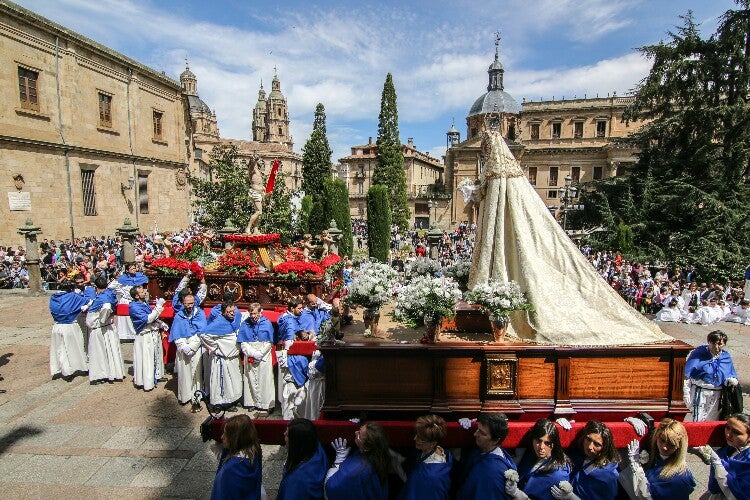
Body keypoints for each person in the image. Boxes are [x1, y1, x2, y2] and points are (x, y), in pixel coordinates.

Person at [466, 125, 670, 346]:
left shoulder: (503, 176)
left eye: (486, 150)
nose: (485, 154)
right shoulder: (496, 174)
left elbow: (490, 196)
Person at [622, 418, 696, 499]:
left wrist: (636, 465)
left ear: (679, 447)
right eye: (662, 440)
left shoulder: (679, 478)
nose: (664, 447)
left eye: (671, 444)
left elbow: (647, 496)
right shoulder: (659, 454)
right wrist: (628, 421)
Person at [552, 420, 619, 500]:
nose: (590, 447)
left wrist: (572, 498)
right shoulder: (579, 457)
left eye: (597, 444)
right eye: (588, 439)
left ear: (604, 448)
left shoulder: (608, 475)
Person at [506, 418, 571, 500]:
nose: (541, 447)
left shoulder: (559, 473)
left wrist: (517, 494)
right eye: (538, 441)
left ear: (554, 444)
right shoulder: (531, 454)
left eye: (547, 443)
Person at [457, 413, 516, 499]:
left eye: (482, 433)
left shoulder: (491, 473)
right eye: (477, 429)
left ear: (495, 440)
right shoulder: (484, 451)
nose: (475, 434)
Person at [325, 421, 390, 500]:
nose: (355, 433)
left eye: (359, 435)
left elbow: (330, 487)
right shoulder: (379, 453)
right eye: (359, 429)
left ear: (366, 448)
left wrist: (338, 462)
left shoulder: (353, 473)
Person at [684, 330, 739, 421]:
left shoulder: (726, 357)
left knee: (712, 421)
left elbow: (728, 374)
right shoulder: (698, 354)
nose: (716, 347)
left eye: (720, 344)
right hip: (700, 394)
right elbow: (686, 377)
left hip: (717, 396)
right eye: (713, 343)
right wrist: (687, 398)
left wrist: (730, 380)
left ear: (724, 344)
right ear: (708, 342)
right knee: (696, 420)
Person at [397, 414, 452, 500]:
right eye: (416, 435)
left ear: (433, 443)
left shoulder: (430, 477)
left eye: (420, 438)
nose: (415, 439)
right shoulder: (439, 451)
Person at [169, 283, 207, 404]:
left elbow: (202, 331)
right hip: (183, 347)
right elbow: (176, 333)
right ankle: (184, 396)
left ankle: (196, 396)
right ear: (183, 303)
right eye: (187, 304)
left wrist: (192, 346)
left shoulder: (199, 313)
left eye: (191, 303)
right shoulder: (179, 315)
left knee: (196, 374)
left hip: (195, 347)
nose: (189, 306)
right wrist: (183, 346)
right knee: (184, 373)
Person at [210, 414, 263, 500]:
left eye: (226, 434)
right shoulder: (254, 450)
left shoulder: (232, 468)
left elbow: (224, 495)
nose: (222, 437)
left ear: (235, 438)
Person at [699, 413, 750, 500]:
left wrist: (717, 462)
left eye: (736, 432)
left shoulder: (748, 459)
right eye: (727, 428)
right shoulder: (726, 450)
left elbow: (738, 494)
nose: (728, 435)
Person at [201, 301, 243, 406]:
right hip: (223, 359)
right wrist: (215, 347)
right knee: (225, 384)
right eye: (229, 312)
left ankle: (234, 400)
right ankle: (224, 404)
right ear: (223, 312)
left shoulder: (236, 318)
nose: (232, 314)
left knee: (235, 382)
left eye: (233, 311)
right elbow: (204, 336)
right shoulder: (218, 323)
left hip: (234, 358)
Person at [237, 302, 275, 413]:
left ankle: (267, 403)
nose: (253, 316)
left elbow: (269, 342)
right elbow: (243, 342)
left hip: (263, 355)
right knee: (251, 379)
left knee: (265, 380)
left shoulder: (266, 323)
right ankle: (252, 403)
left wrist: (260, 353)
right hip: (250, 354)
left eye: (255, 313)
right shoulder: (245, 324)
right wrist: (252, 353)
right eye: (251, 314)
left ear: (260, 312)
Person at [277, 418, 328, 500]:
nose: (284, 434)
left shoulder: (295, 481)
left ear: (296, 443)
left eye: (287, 435)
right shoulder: (317, 450)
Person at [86, 276, 124, 384]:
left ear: (96, 287)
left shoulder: (103, 298)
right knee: (110, 352)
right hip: (108, 327)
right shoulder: (110, 294)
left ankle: (100, 375)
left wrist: (103, 318)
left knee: (99, 353)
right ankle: (113, 372)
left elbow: (107, 307)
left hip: (99, 328)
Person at [48, 285, 91, 379]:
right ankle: (73, 369)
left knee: (59, 349)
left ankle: (63, 369)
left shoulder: (53, 297)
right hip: (70, 326)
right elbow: (89, 301)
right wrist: (85, 306)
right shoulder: (72, 296)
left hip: (57, 326)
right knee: (74, 348)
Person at [129, 286, 167, 391]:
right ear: (136, 296)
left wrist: (160, 323)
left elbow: (153, 317)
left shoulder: (143, 303)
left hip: (152, 333)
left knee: (155, 356)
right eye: (142, 292)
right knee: (146, 359)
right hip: (145, 336)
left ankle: (156, 376)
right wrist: (158, 307)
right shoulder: (134, 307)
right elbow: (148, 319)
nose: (145, 292)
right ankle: (146, 382)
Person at [109, 262, 149, 340]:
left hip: (136, 300)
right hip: (126, 300)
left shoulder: (139, 276)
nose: (134, 270)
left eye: (135, 268)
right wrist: (121, 292)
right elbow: (111, 286)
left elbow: (145, 282)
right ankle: (125, 336)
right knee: (125, 319)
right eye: (132, 268)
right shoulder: (123, 278)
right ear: (127, 270)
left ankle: (135, 334)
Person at [244, 153, 266, 234]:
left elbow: (260, 183)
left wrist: (264, 189)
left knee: (258, 212)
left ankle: (256, 229)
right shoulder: (252, 169)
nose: (261, 161)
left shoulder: (258, 171)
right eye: (260, 160)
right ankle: (248, 228)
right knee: (259, 212)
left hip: (260, 193)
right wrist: (255, 160)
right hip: (255, 192)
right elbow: (252, 165)